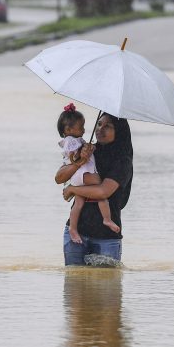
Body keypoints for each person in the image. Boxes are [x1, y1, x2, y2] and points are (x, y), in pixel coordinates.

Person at [55, 113, 133, 266]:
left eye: (108, 126)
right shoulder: (87, 150)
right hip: (77, 231)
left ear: (119, 131)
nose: (100, 129)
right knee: (74, 284)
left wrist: (72, 189)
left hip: (107, 237)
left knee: (106, 287)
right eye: (99, 124)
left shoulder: (123, 161)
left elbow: (103, 192)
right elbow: (59, 178)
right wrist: (79, 161)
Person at [56, 103, 120, 244]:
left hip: (77, 177)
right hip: (84, 173)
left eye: (107, 126)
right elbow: (72, 157)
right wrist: (82, 153)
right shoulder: (70, 142)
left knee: (79, 203)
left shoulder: (75, 140)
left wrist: (87, 148)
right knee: (100, 192)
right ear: (68, 129)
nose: (84, 130)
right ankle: (107, 219)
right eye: (81, 127)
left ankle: (73, 228)